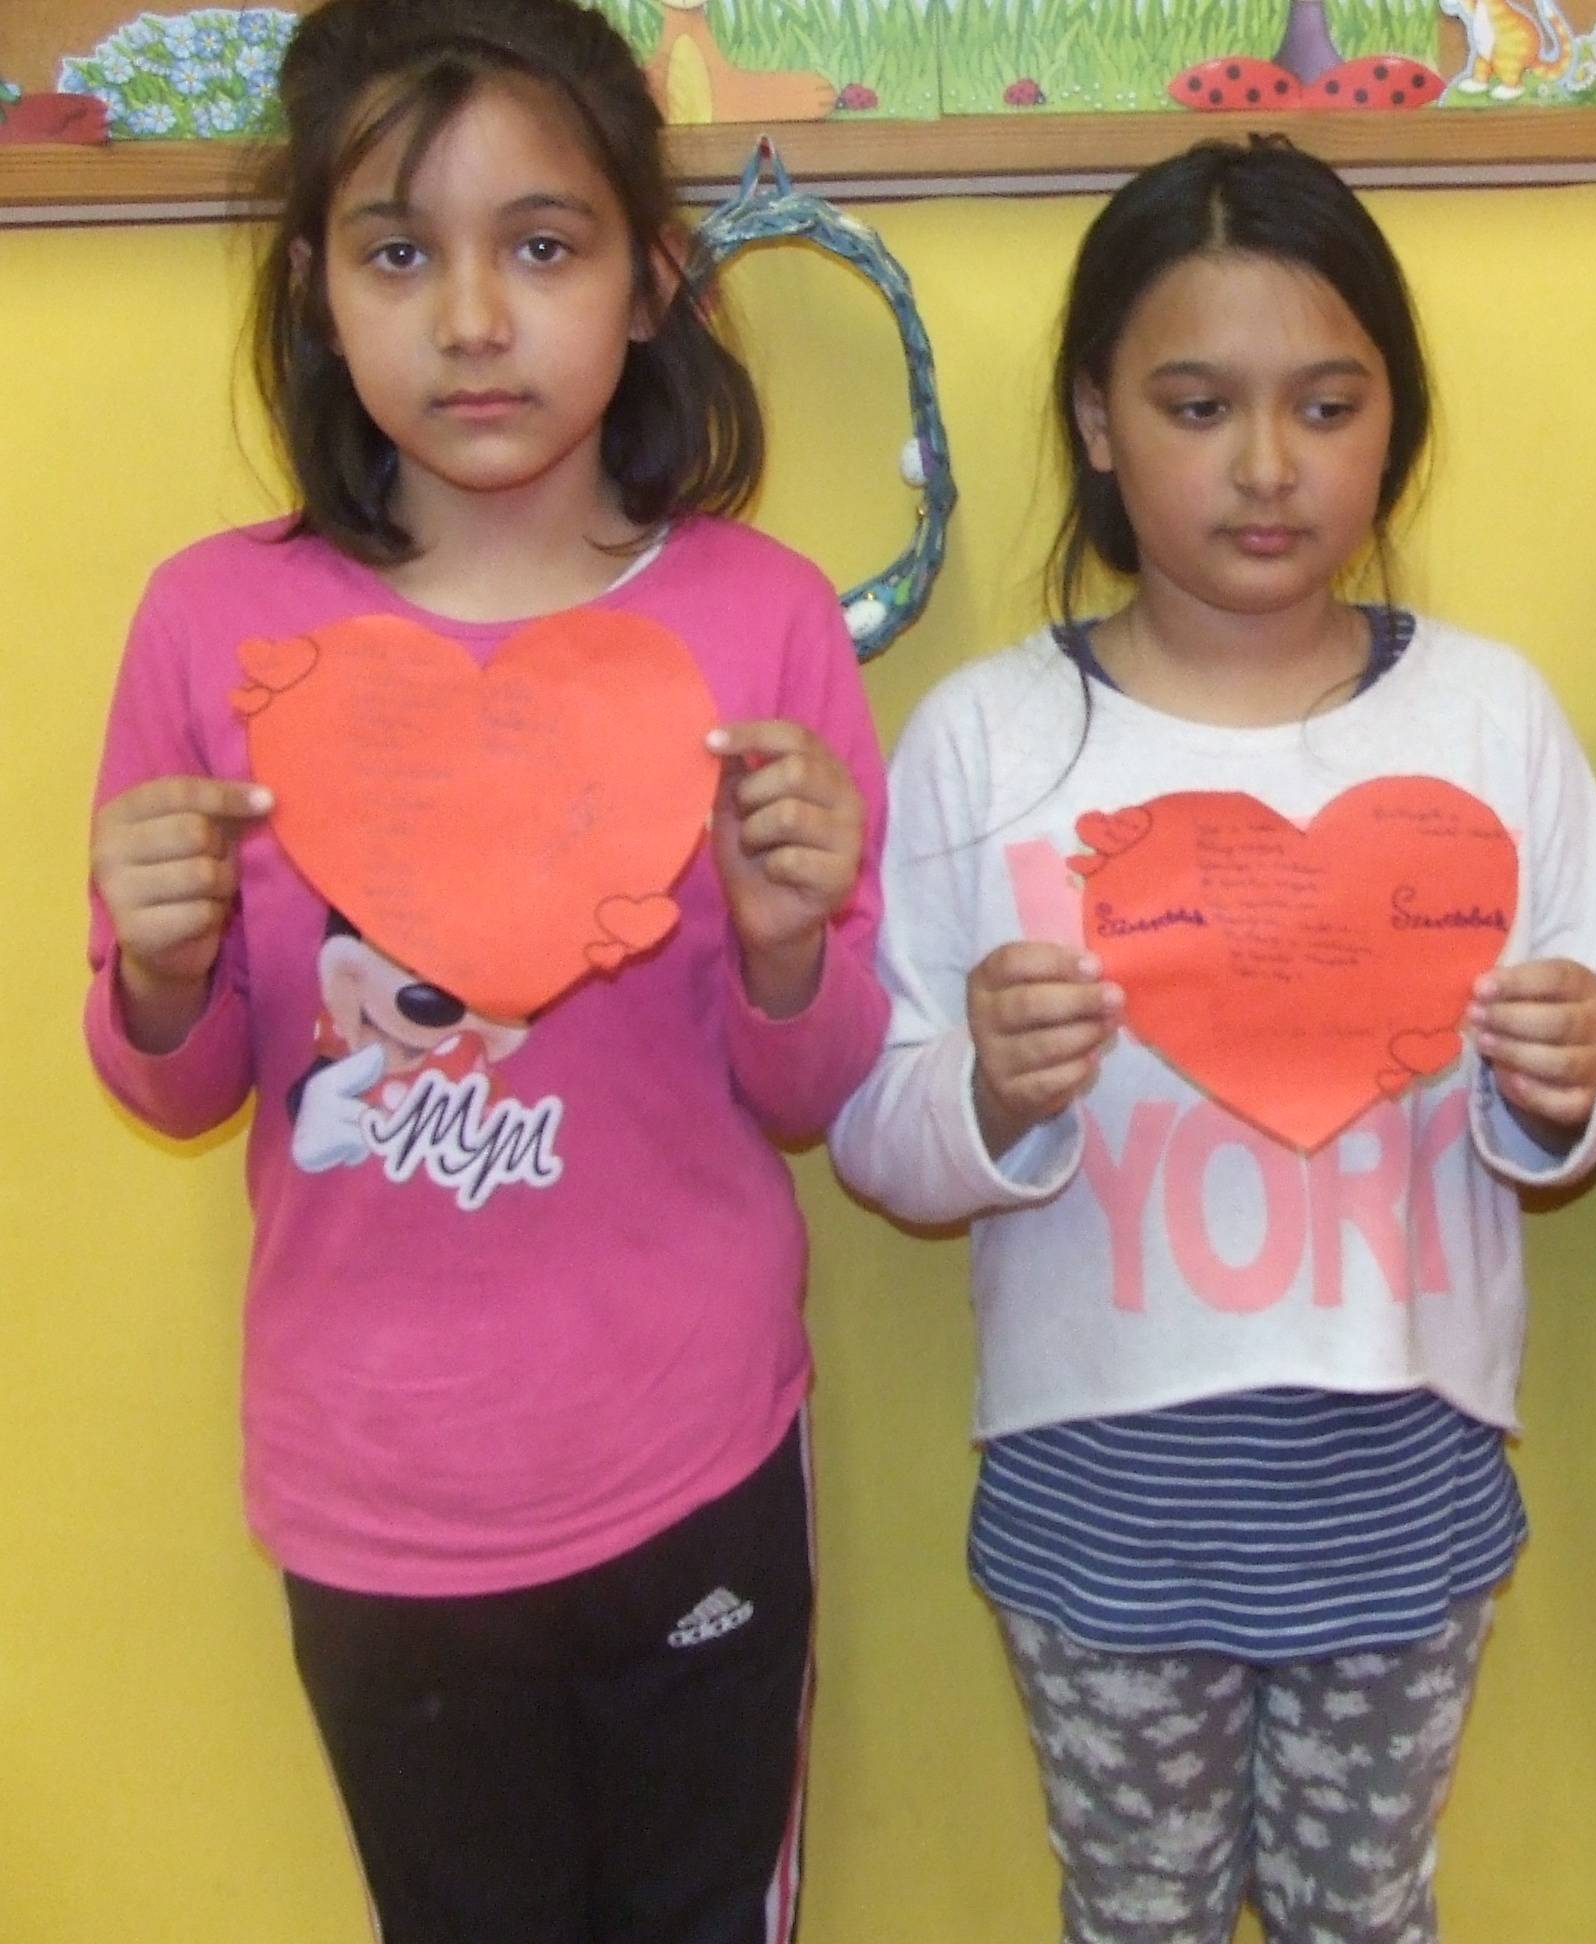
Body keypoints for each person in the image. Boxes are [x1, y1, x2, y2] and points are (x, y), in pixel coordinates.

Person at [81, 3, 885, 1936]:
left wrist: (789, 942)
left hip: (692, 1448)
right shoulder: (216, 619)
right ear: (314, 287)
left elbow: (812, 1089)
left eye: (541, 245)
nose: (469, 320)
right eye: (396, 253)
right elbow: (178, 1085)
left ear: (651, 280)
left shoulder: (758, 614)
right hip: (377, 1485)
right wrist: (161, 973)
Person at [830, 137, 1596, 1944]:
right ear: (1097, 420)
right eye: (1198, 406)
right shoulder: (987, 738)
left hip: (1402, 1487)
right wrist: (991, 1093)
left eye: (1327, 407)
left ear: (1393, 421)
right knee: (1140, 1915)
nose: (1267, 466)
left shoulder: (1487, 716)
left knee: (1371, 1908)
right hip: (1101, 1504)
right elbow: (877, 1125)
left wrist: (1571, 1079)